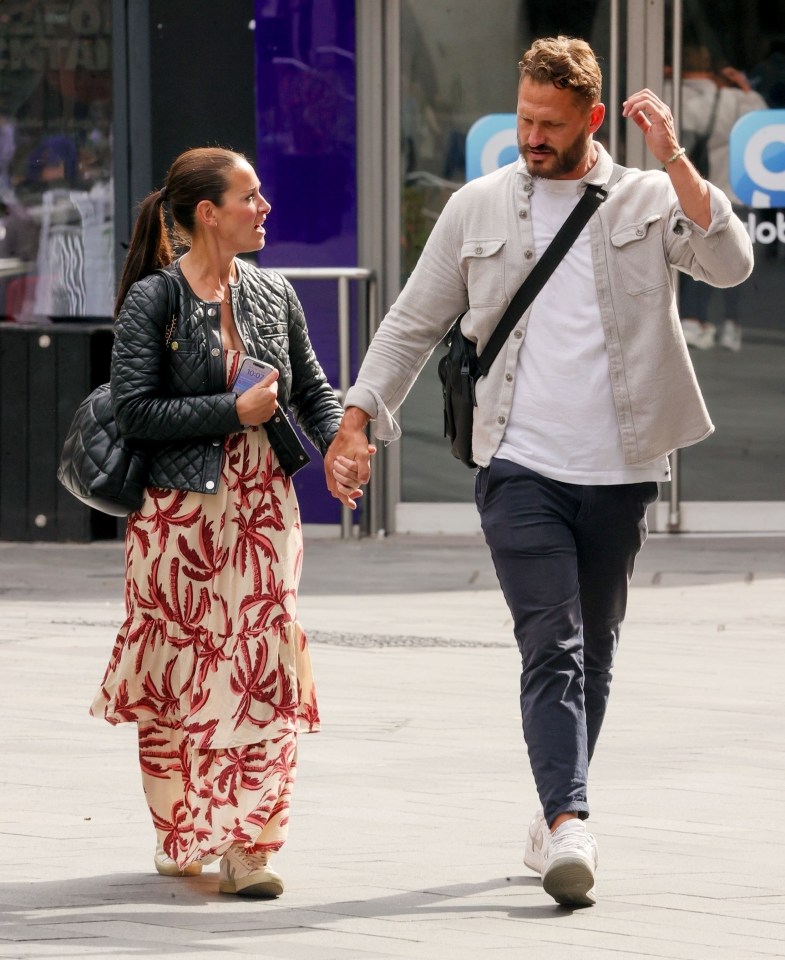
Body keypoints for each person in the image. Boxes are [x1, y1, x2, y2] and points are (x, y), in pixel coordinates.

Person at [326, 36, 753, 908]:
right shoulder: (476, 207)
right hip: (517, 462)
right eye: (523, 119)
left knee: (593, 654)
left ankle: (556, 812)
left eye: (548, 125)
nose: (530, 136)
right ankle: (568, 824)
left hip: (621, 468)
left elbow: (729, 262)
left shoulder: (643, 195)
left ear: (592, 121)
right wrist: (358, 418)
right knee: (549, 647)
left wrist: (674, 158)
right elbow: (411, 323)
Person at [90, 146, 358, 898]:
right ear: (208, 213)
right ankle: (182, 831)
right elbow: (135, 413)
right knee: (181, 674)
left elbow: (309, 389)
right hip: (177, 521)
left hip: (264, 509)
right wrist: (228, 411)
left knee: (259, 670)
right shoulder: (155, 300)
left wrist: (339, 441)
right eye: (250, 195)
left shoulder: (275, 293)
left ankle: (250, 844)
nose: (264, 206)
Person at [675, 45, 767, 351]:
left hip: (703, 191)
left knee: (701, 256)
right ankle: (731, 324)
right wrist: (743, 88)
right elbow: (764, 124)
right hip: (738, 188)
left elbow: (689, 122)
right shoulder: (738, 100)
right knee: (737, 258)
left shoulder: (692, 97)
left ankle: (696, 321)